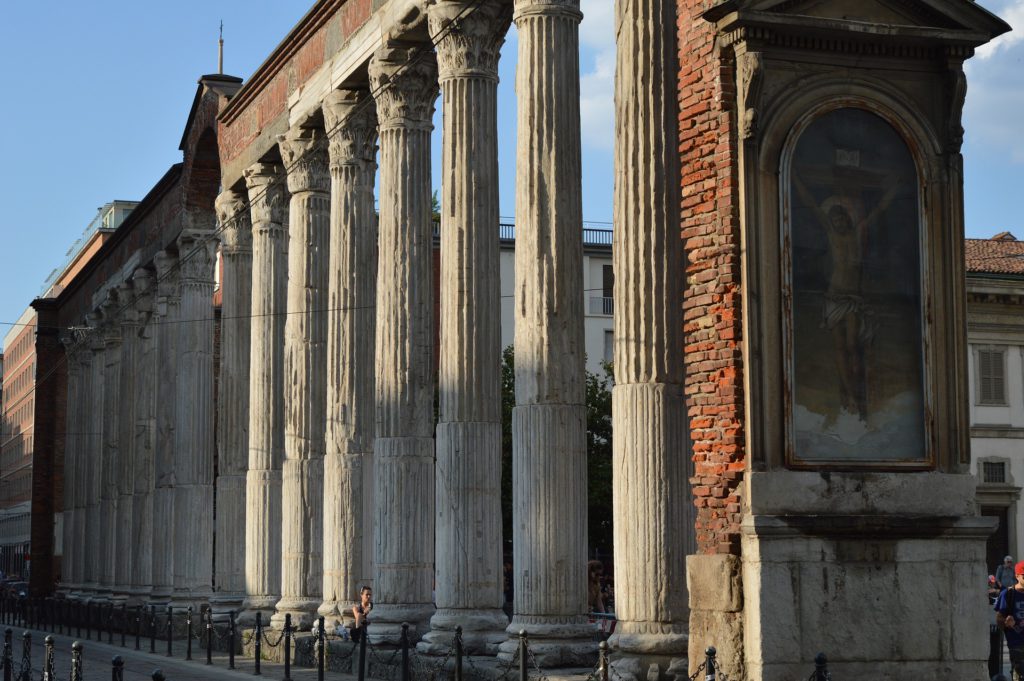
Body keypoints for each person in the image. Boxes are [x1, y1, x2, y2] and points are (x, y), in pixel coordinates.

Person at [994, 561, 1024, 679]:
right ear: (1017, 576)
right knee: (1019, 674)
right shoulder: (1008, 594)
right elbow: (999, 618)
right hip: (1017, 643)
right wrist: (1006, 623)